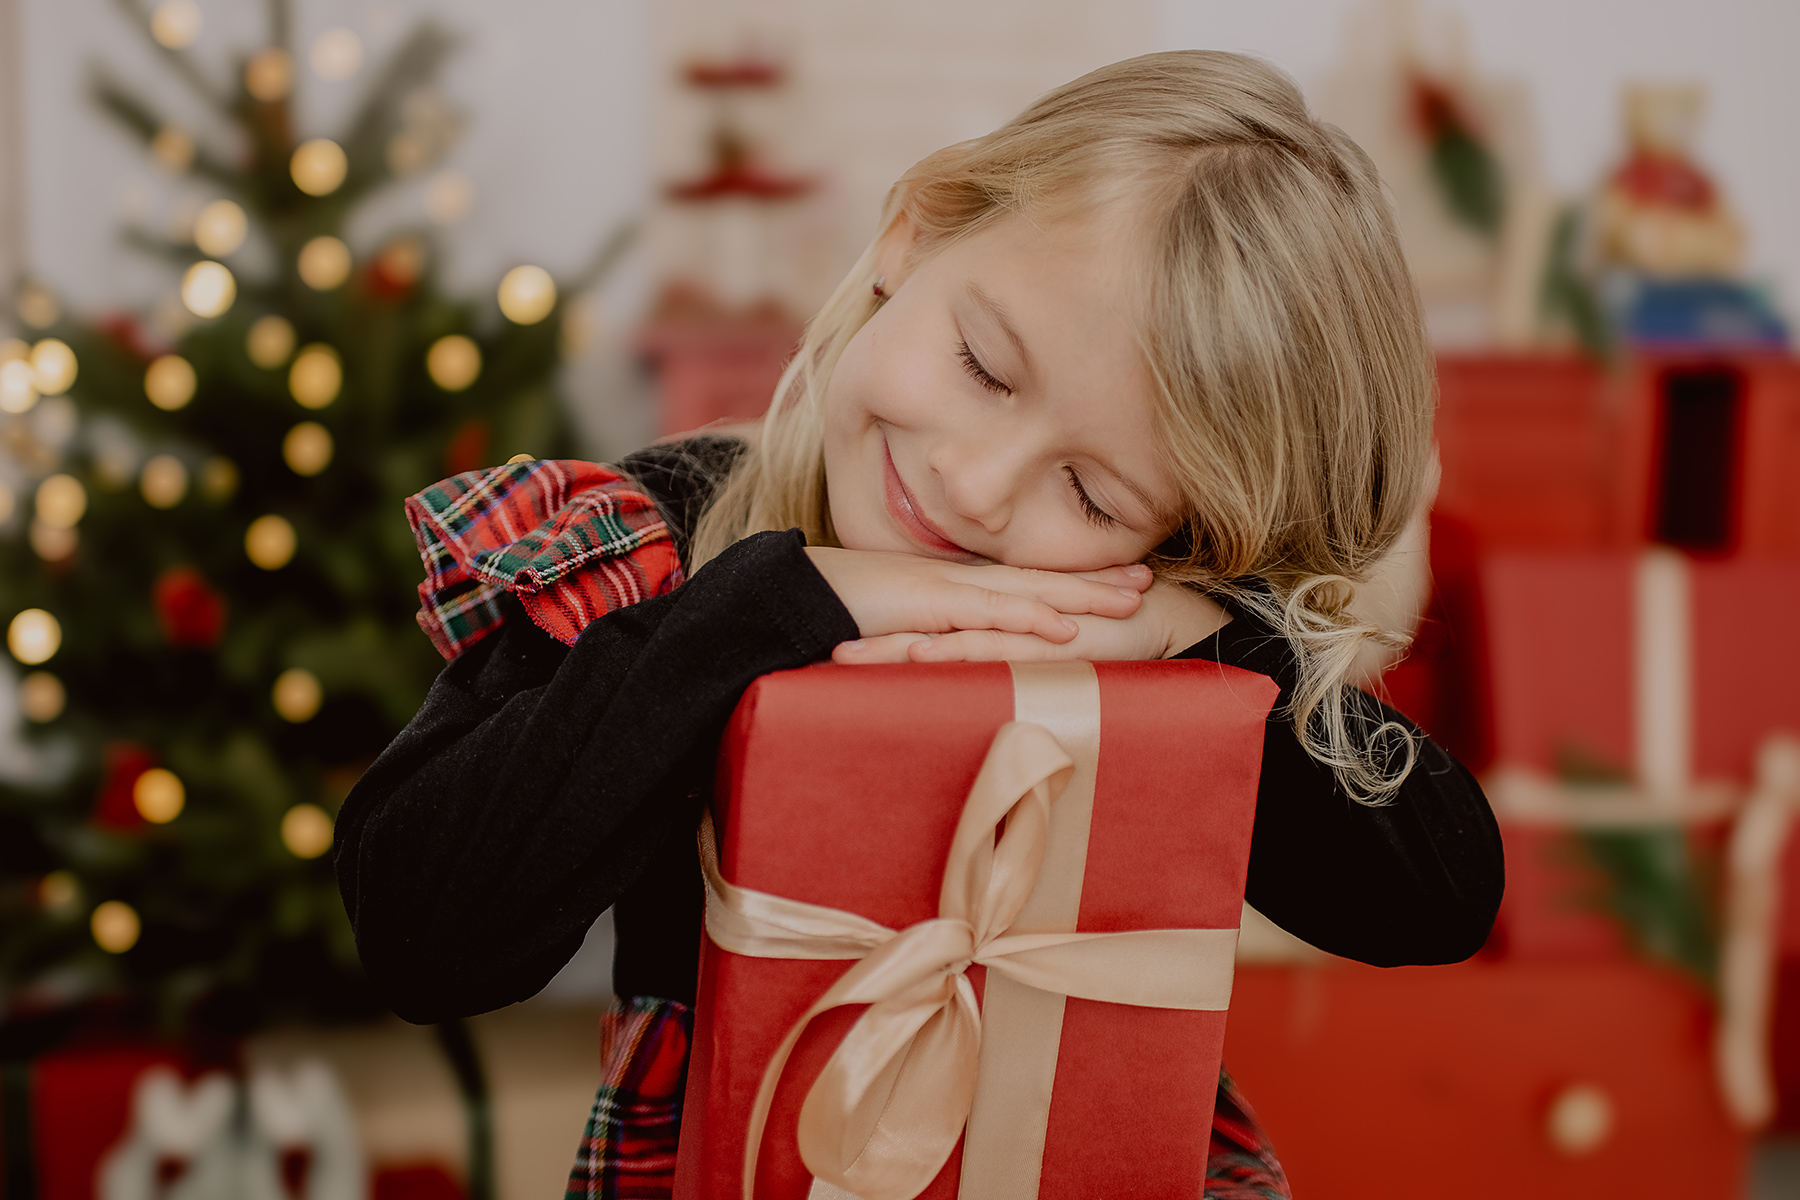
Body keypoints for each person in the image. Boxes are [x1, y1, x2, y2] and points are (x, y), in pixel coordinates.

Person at [334, 50, 1504, 1199]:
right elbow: (417, 927)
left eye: (1095, 494)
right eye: (984, 365)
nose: (978, 488)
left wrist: (1195, 639)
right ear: (918, 232)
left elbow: (1442, 898)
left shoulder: (1130, 624)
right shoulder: (657, 537)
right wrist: (769, 611)